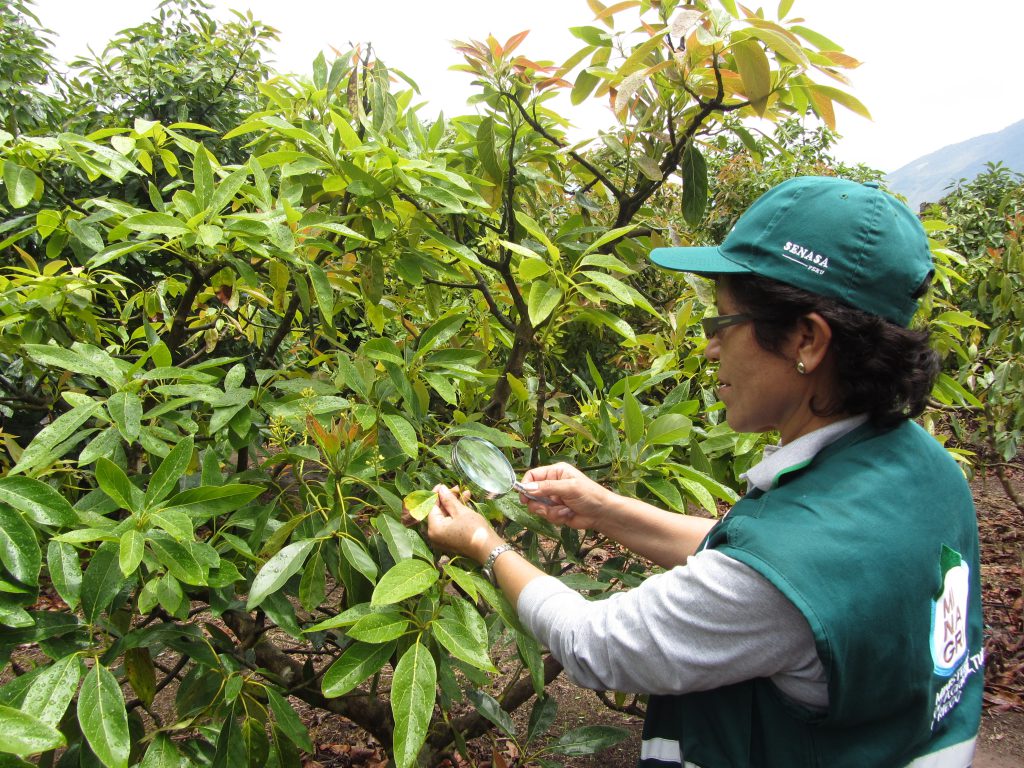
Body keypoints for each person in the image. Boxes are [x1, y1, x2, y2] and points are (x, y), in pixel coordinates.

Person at [424, 176, 984, 767]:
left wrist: (484, 545)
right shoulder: (924, 468)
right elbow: (754, 566)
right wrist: (604, 509)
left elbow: (597, 644)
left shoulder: (781, 578)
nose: (711, 349)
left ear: (807, 339)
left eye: (722, 324)